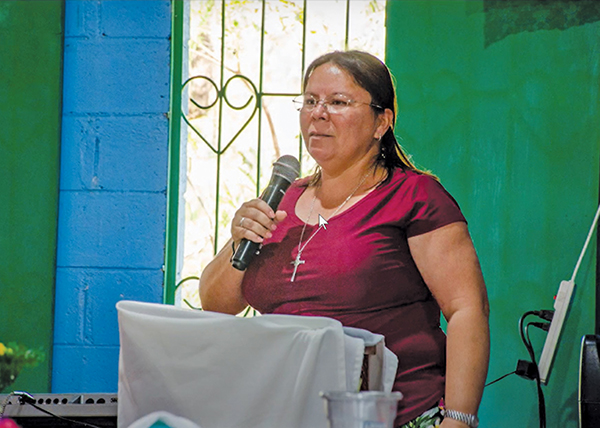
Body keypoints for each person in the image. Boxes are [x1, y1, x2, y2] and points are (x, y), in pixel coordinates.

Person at [199, 50, 489, 428]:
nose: (318, 113)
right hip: (282, 413)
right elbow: (216, 304)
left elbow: (467, 309)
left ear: (381, 122)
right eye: (310, 101)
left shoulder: (413, 197)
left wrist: (459, 420)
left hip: (393, 415)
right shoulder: (281, 199)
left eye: (338, 102)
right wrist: (240, 240)